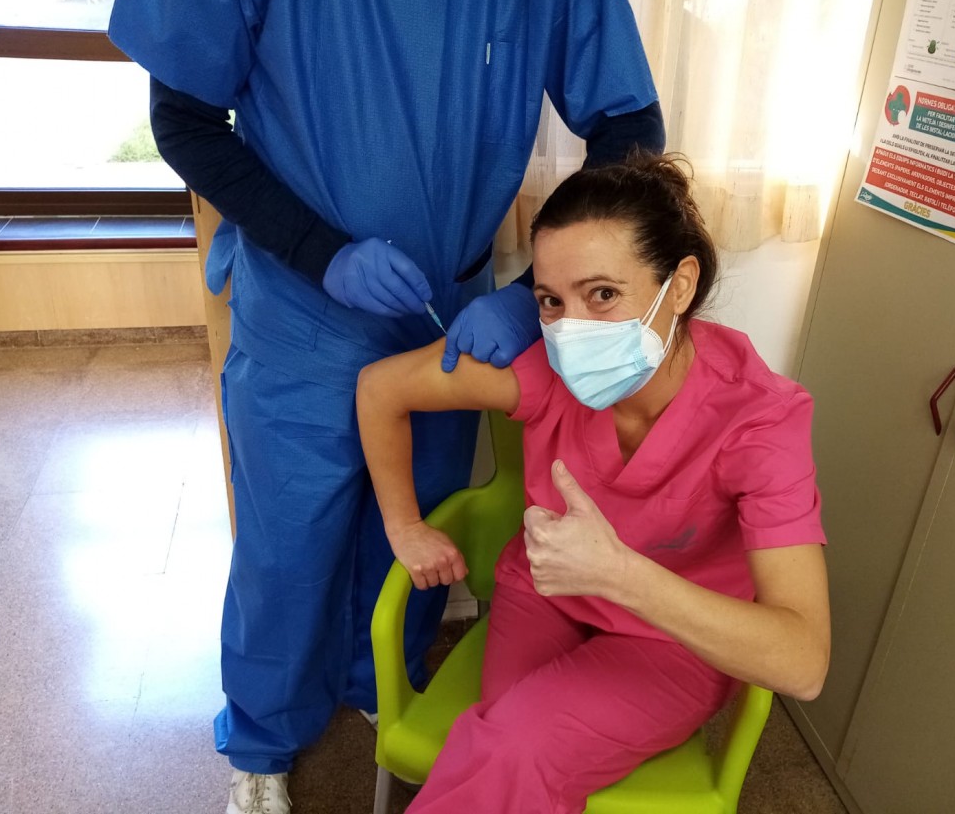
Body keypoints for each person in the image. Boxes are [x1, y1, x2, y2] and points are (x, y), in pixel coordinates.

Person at [106, 0, 665, 811]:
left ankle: (382, 683)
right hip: (302, 312)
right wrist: (318, 251)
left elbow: (629, 125)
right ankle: (262, 739)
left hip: (446, 313)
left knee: (418, 528)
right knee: (285, 547)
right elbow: (184, 120)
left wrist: (532, 296)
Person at [356, 153, 831, 813]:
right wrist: (404, 526)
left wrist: (619, 574)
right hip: (548, 591)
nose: (571, 330)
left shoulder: (759, 420)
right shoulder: (546, 372)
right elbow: (380, 388)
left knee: (515, 749)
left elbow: (803, 661)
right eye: (550, 301)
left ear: (680, 285)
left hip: (673, 635)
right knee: (510, 751)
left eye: (602, 294)